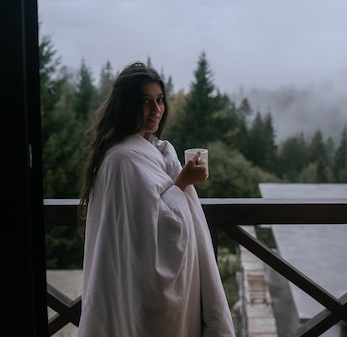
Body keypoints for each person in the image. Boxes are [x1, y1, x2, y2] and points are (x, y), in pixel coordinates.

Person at [76, 62, 235, 337]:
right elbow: (152, 235)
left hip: (135, 291)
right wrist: (183, 182)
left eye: (159, 100)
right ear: (127, 105)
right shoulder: (122, 160)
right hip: (140, 297)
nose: (156, 109)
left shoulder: (153, 151)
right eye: (145, 102)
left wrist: (179, 180)